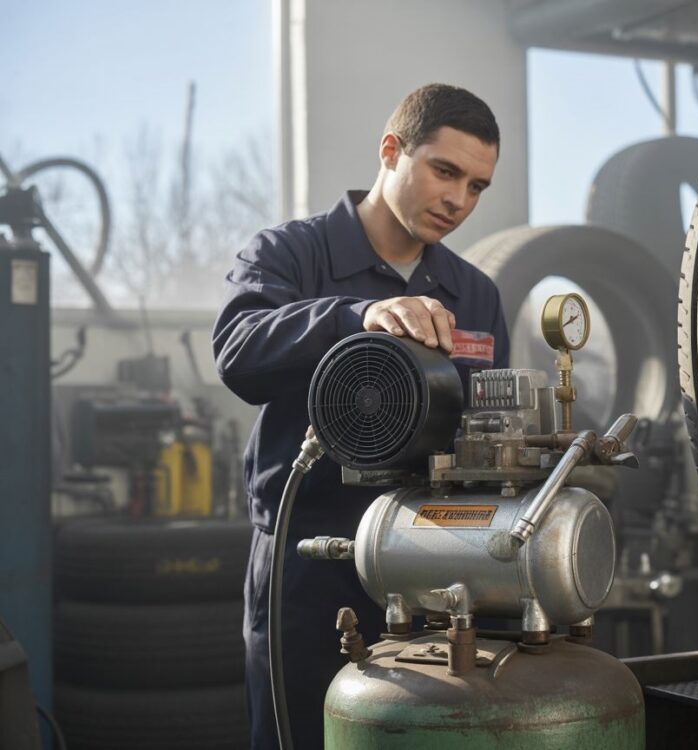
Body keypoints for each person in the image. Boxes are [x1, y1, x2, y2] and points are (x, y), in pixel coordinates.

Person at [212, 83, 510, 750]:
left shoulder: (474, 294)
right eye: (445, 171)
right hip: (308, 561)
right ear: (391, 150)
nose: (459, 200)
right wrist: (356, 318)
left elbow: (487, 430)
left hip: (430, 565)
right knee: (299, 733)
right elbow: (237, 352)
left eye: (477, 186)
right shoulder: (291, 254)